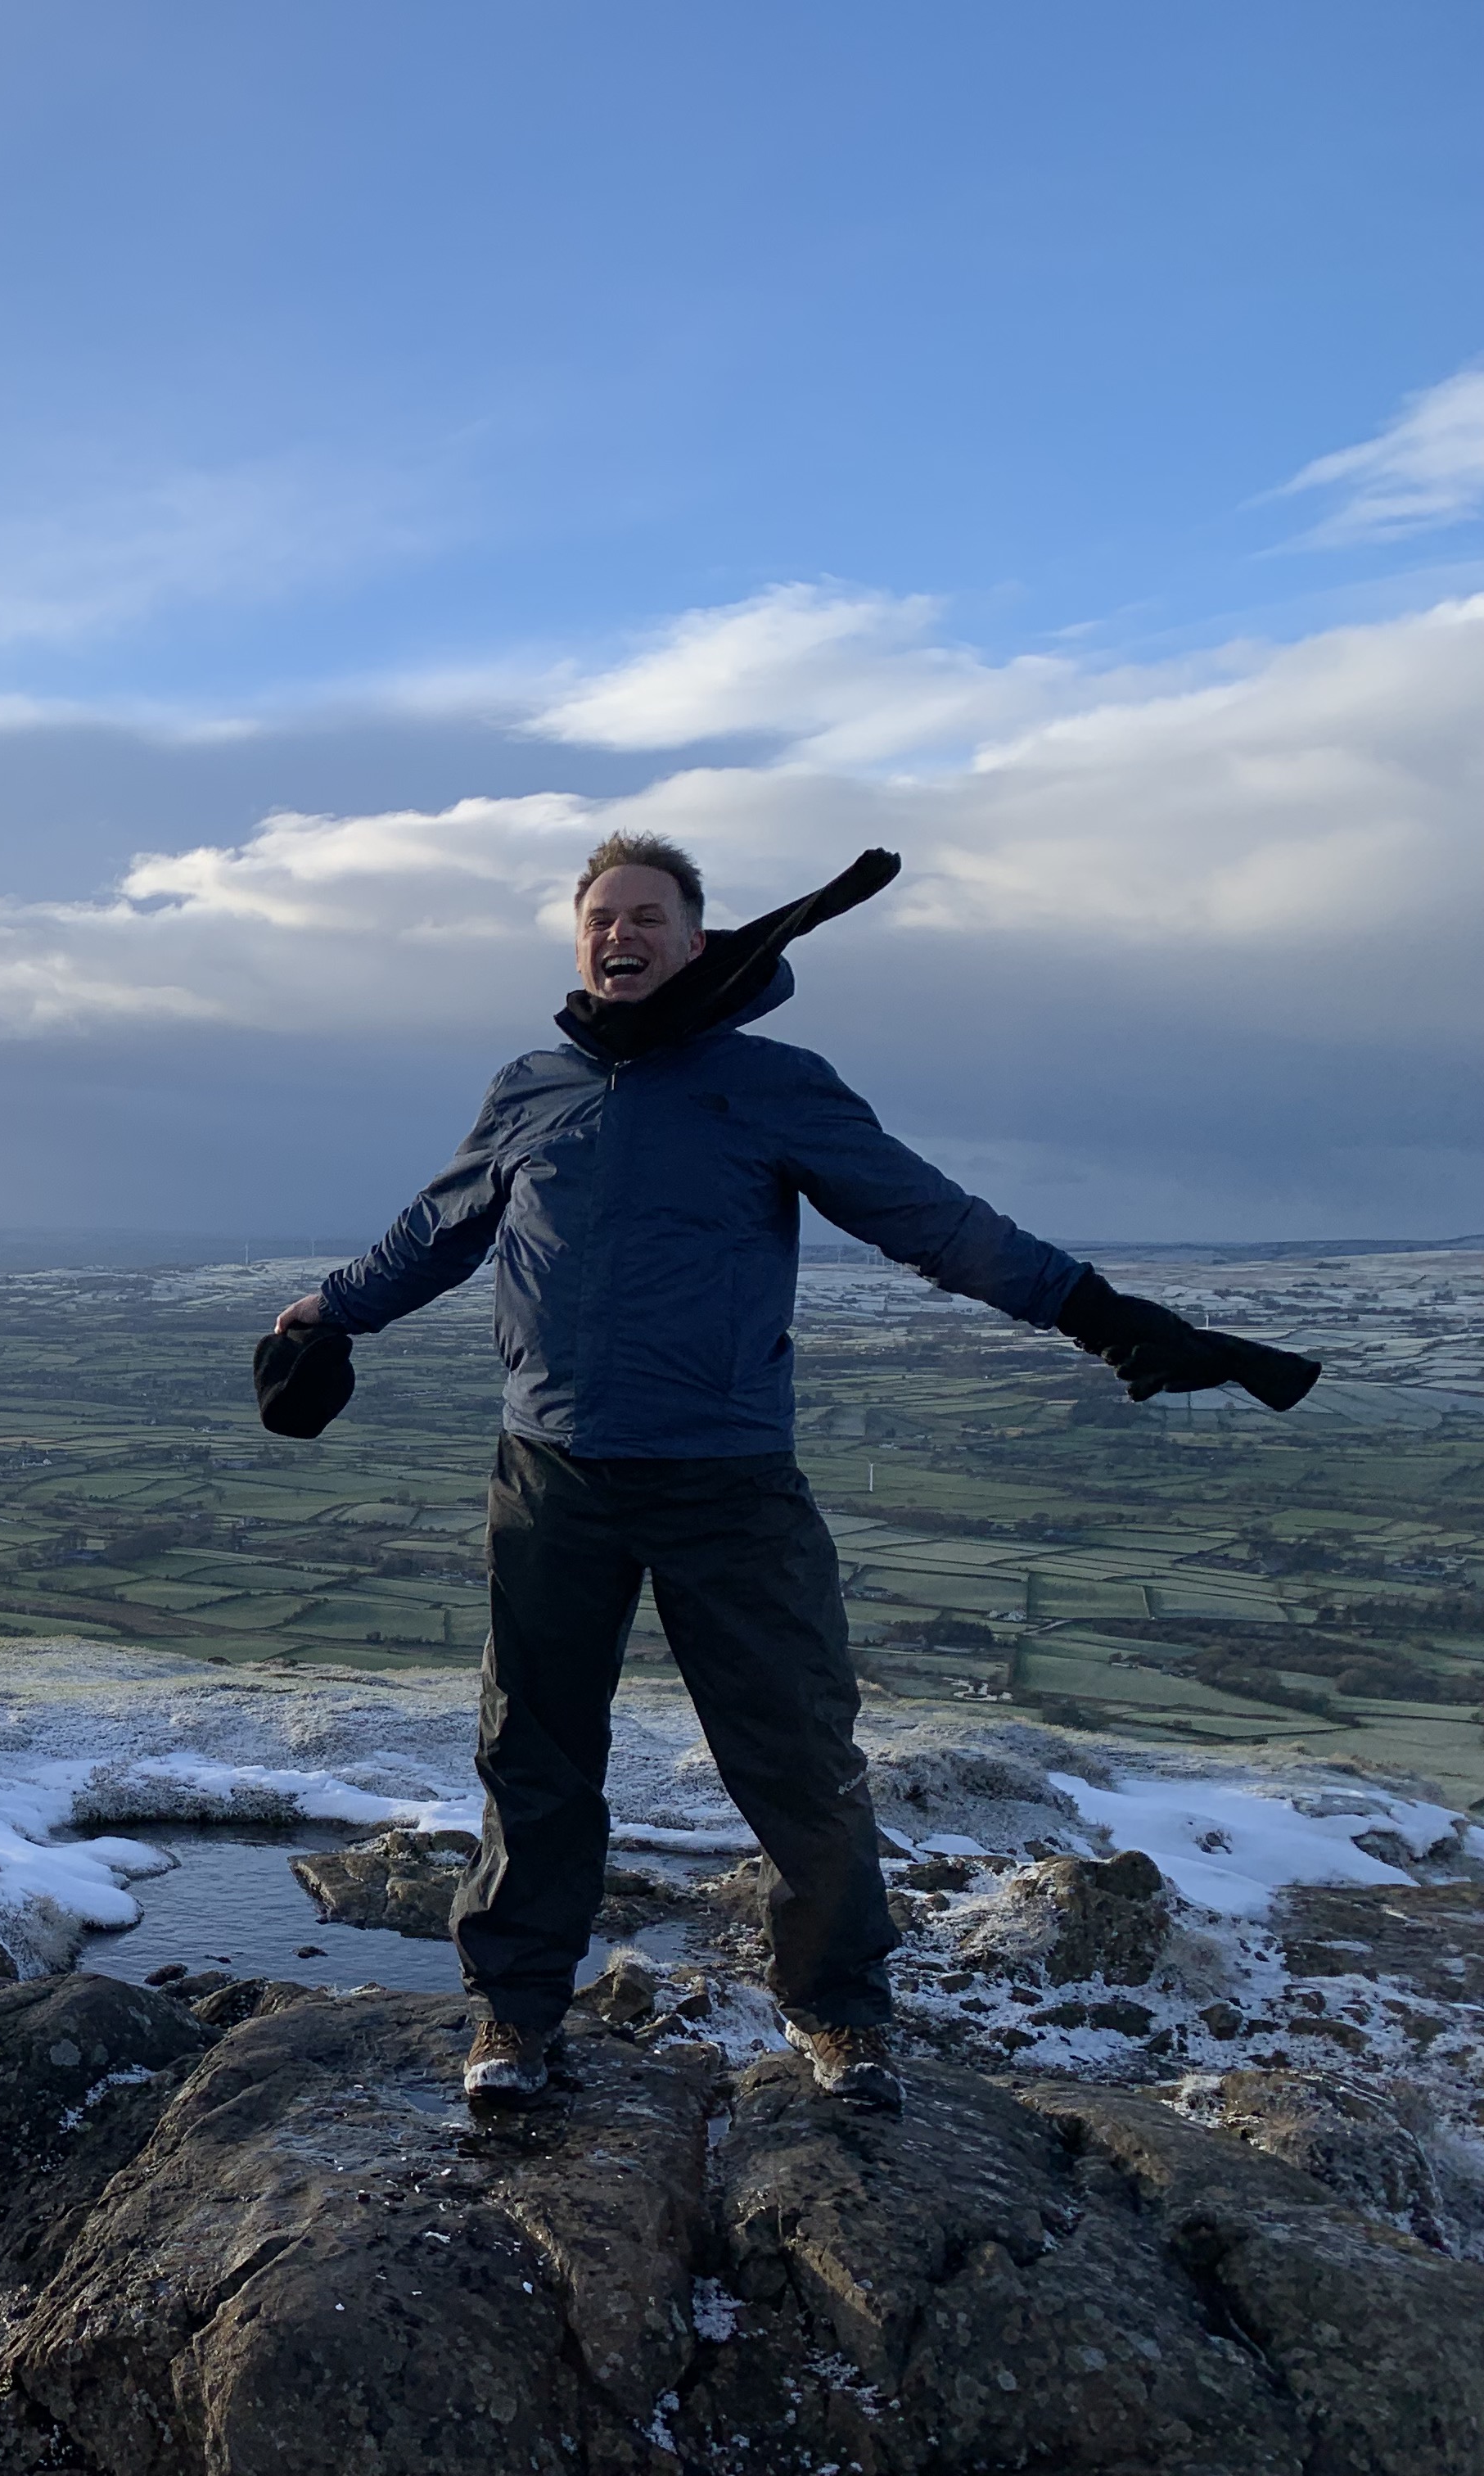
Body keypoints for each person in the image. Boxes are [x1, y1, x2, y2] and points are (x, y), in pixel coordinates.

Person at [271, 832, 1302, 2112]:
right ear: (578, 940)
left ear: (695, 941)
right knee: (532, 1758)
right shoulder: (530, 1086)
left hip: (729, 1481)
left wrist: (1098, 1312)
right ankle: (515, 2019)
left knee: (797, 1755)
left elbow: (931, 1218)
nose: (620, 933)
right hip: (552, 1478)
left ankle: (840, 2020)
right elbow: (436, 1230)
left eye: (648, 915)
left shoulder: (770, 1083)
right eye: (601, 916)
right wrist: (322, 1317)